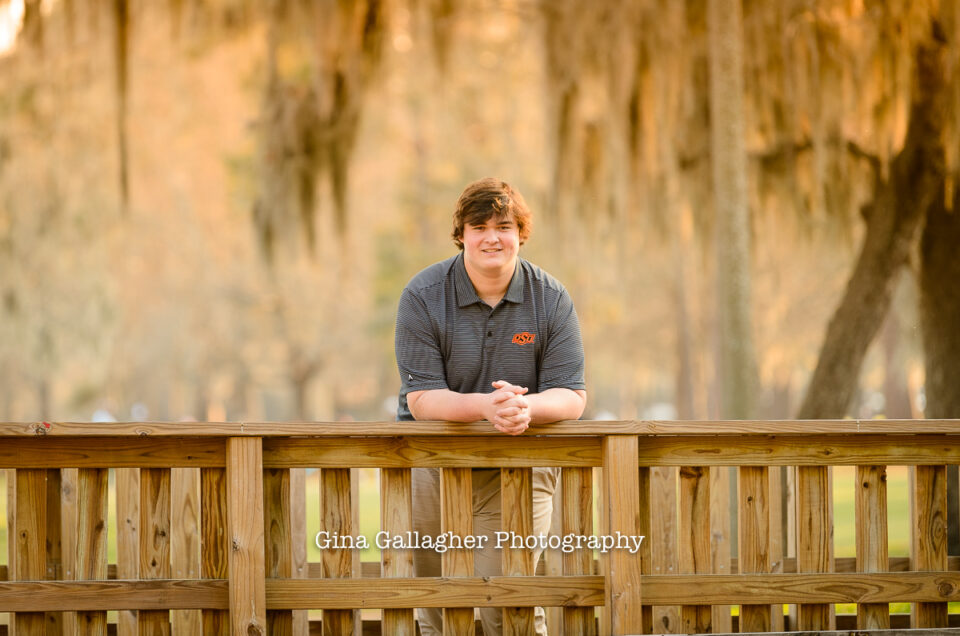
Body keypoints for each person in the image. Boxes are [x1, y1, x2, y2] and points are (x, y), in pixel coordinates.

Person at [394, 177, 586, 635]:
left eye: (503, 225)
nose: (491, 237)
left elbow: (572, 396)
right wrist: (486, 406)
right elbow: (421, 400)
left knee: (509, 600)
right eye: (478, 226)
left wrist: (525, 409)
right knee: (436, 604)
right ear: (461, 234)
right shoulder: (422, 295)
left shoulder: (552, 299)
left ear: (521, 232)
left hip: (521, 463)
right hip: (435, 464)